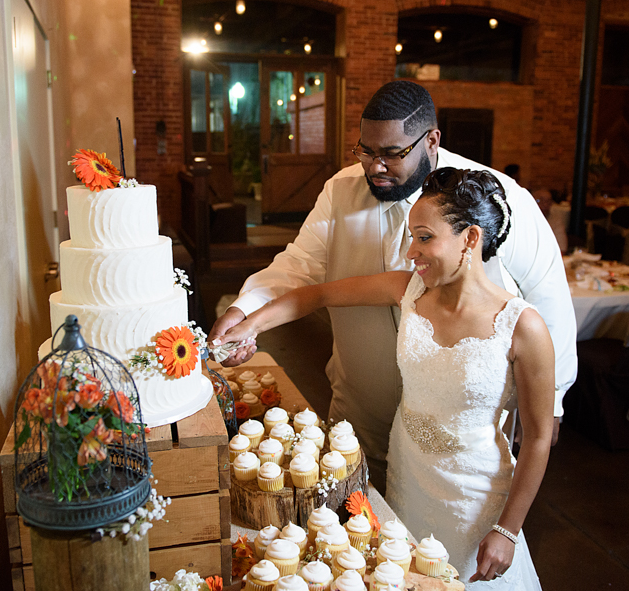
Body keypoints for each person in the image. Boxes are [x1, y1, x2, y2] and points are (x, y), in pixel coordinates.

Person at [210, 81, 576, 493]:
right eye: (366, 151)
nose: (374, 166)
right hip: (358, 406)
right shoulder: (340, 190)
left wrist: (553, 400)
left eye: (391, 153)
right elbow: (300, 267)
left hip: (459, 434)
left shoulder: (492, 196)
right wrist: (246, 312)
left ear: (432, 139)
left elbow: (547, 293)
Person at [214, 168, 552, 591]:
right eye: (412, 237)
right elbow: (315, 294)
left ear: (470, 238)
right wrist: (249, 326)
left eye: (425, 238)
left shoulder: (523, 326)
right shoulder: (407, 291)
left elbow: (539, 437)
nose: (412, 252)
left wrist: (508, 528)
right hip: (408, 477)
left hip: (476, 500)